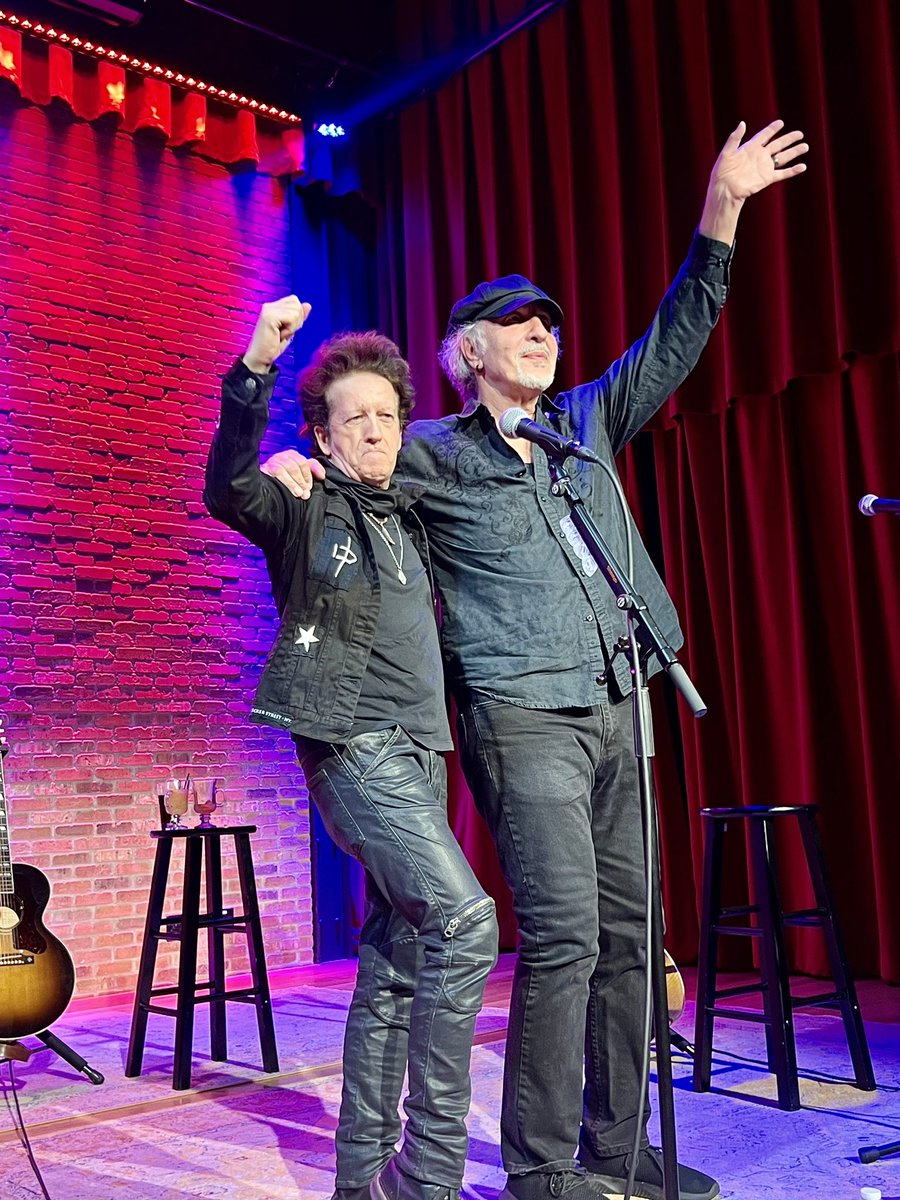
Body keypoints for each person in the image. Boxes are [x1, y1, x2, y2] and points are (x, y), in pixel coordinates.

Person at [261, 120, 809, 1200]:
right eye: (515, 324)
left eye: (548, 323)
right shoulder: (428, 454)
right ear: (467, 352)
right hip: (519, 717)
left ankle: (615, 1149)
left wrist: (724, 210)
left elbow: (679, 330)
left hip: (620, 702)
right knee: (560, 939)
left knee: (627, 937)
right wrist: (293, 460)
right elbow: (352, 461)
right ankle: (543, 1169)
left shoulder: (587, 424)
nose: (541, 333)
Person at [203, 303, 499, 1200]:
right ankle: (427, 1182)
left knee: (399, 954)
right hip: (351, 743)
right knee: (464, 921)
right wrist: (254, 365)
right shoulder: (301, 505)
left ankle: (359, 1178)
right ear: (324, 438)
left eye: (385, 415)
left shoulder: (415, 516)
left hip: (421, 749)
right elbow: (228, 488)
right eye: (353, 418)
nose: (373, 429)